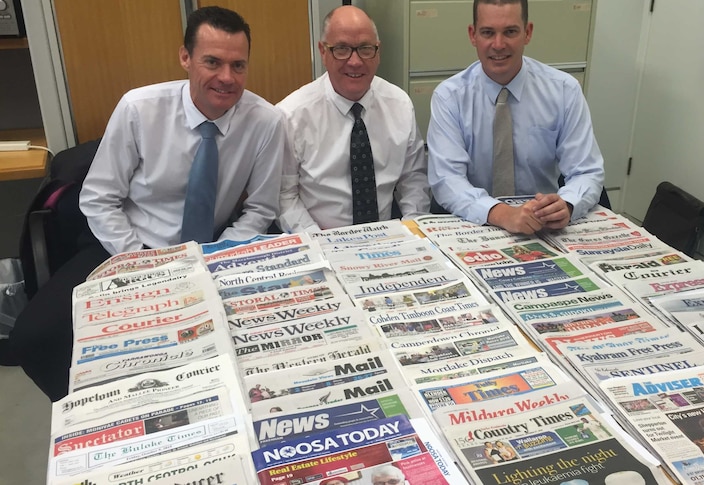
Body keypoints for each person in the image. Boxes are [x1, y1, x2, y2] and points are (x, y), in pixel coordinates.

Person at [9, 6, 284, 402]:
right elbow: (100, 197)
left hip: (208, 251)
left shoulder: (266, 122)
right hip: (128, 246)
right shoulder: (139, 108)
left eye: (238, 65)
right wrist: (138, 261)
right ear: (185, 58)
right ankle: (89, 413)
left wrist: (215, 255)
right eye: (213, 62)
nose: (227, 78)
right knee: (33, 337)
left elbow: (260, 209)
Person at [427, 0, 604, 234]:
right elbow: (447, 180)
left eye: (510, 32)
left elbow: (587, 170)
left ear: (527, 33)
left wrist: (568, 204)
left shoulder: (564, 90)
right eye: (488, 32)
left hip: (544, 225)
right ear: (473, 35)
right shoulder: (449, 98)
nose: (498, 45)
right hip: (476, 224)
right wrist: (501, 214)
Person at [276, 6, 430, 232]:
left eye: (365, 49)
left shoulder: (400, 105)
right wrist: (317, 241)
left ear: (378, 52)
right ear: (323, 51)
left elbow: (413, 180)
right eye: (341, 49)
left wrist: (413, 230)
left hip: (389, 239)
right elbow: (284, 195)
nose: (355, 62)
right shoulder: (292, 115)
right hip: (321, 238)